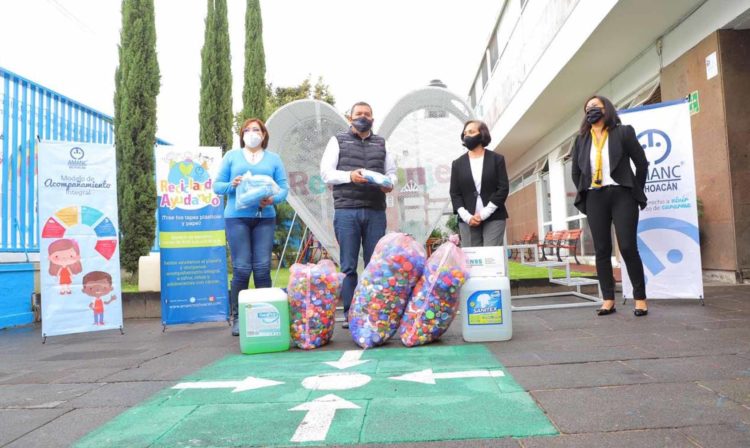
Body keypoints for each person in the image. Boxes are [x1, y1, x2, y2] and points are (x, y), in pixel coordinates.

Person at [320, 101, 397, 329]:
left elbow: (391, 173)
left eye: (367, 114)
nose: (363, 117)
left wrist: (389, 184)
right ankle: (350, 312)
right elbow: (326, 173)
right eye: (358, 114)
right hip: (346, 211)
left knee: (375, 265)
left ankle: (373, 311)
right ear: (349, 117)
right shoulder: (337, 141)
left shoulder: (382, 144)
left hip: (375, 211)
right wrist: (350, 176)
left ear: (373, 118)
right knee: (348, 265)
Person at [570, 95, 649, 317]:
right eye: (587, 108)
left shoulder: (623, 132)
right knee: (602, 250)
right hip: (596, 197)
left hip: (622, 195)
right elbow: (576, 171)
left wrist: (635, 191)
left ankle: (640, 299)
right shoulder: (581, 139)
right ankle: (608, 299)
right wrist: (586, 190)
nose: (591, 110)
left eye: (595, 106)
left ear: (607, 109)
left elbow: (641, 164)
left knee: (627, 247)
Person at [214, 118, 289, 335]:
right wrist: (232, 184)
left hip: (264, 217)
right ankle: (238, 318)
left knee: (263, 268)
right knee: (242, 268)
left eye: (256, 129)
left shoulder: (274, 159)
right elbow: (217, 186)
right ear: (242, 135)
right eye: (247, 130)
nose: (252, 133)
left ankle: (265, 317)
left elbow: (283, 189)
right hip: (236, 217)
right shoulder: (232, 156)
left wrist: (272, 200)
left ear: (264, 134)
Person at [449, 120, 509, 247]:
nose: (467, 136)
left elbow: (503, 188)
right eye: (465, 133)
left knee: (491, 258)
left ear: (482, 134)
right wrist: (467, 217)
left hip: (494, 217)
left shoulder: (497, 159)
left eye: (471, 132)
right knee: (472, 260)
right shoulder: (457, 164)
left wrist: (484, 213)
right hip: (467, 219)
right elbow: (455, 193)